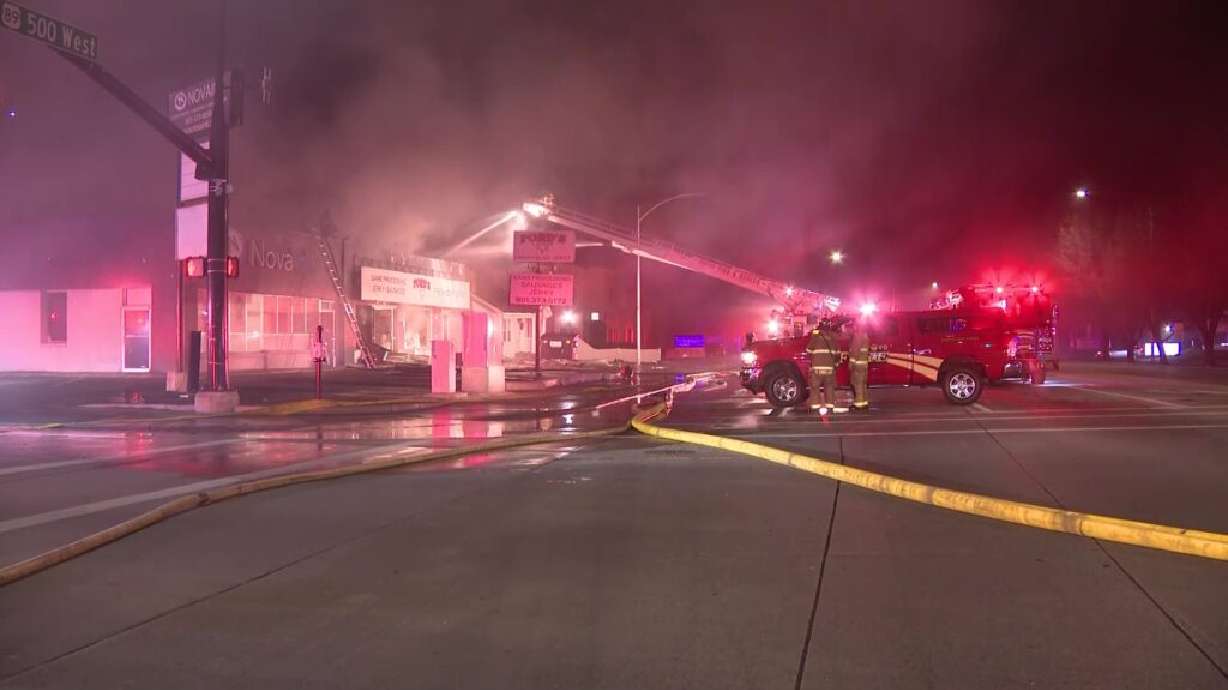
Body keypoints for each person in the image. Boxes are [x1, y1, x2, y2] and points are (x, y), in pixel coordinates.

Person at [805, 320, 840, 414]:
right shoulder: (833, 338)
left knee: (815, 388)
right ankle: (830, 408)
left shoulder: (816, 337)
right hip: (829, 369)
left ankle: (815, 409)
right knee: (829, 388)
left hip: (817, 369)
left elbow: (808, 350)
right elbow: (837, 353)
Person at [849, 318, 871, 412]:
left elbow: (855, 351)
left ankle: (858, 405)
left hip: (858, 365)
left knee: (858, 385)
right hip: (864, 365)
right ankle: (864, 403)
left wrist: (851, 363)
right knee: (862, 385)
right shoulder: (866, 337)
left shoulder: (858, 336)